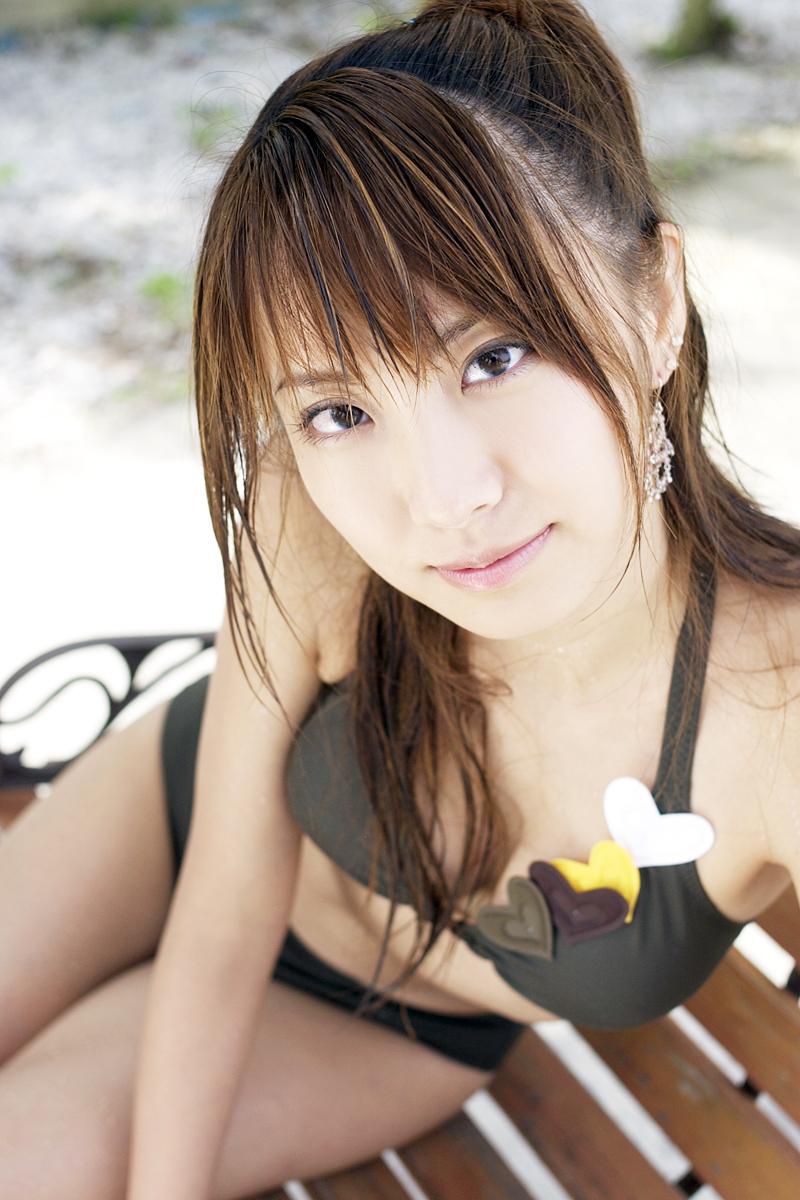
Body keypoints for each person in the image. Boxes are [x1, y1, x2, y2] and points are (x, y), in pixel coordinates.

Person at [1, 1, 799, 1197]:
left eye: (494, 356)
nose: (442, 499)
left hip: (384, 1020)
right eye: (341, 411)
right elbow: (226, 887)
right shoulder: (307, 510)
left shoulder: (776, 700)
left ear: (653, 305)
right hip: (173, 829)